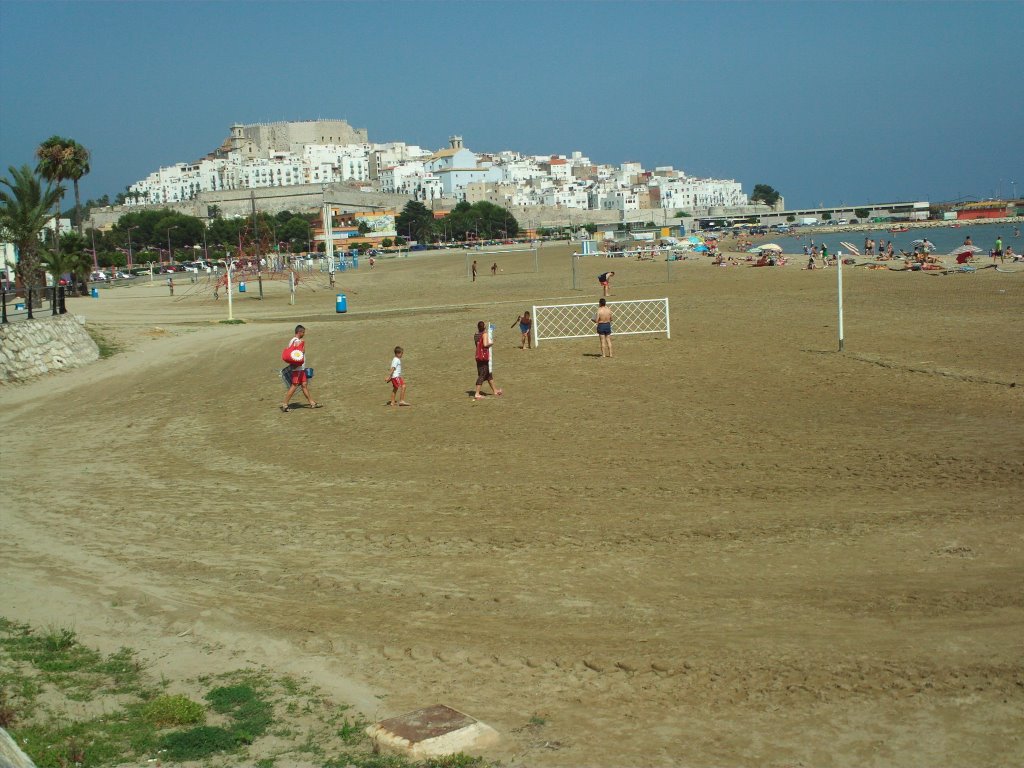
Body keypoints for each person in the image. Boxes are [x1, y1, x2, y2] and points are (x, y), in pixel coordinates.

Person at [281, 324, 320, 412]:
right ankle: (285, 404)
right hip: (298, 368)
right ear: (299, 332)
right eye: (303, 332)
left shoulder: (292, 340)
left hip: (300, 368)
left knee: (304, 385)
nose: (304, 334)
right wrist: (303, 343)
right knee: (294, 386)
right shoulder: (296, 341)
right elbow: (301, 352)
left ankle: (312, 403)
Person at [473, 320, 502, 399]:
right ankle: (477, 393)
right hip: (483, 357)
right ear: (484, 327)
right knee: (482, 375)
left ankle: (495, 390)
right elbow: (485, 344)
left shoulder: (476, 335)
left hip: (478, 356)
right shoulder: (484, 334)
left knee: (488, 375)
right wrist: (491, 343)